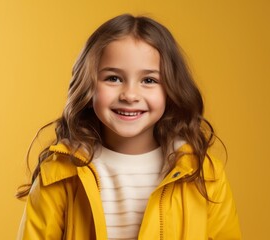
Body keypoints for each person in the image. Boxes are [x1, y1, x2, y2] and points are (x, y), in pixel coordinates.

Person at [16, 14, 241, 239]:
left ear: (171, 89)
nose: (130, 95)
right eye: (113, 78)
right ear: (88, 84)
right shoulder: (59, 174)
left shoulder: (204, 175)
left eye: (149, 80)